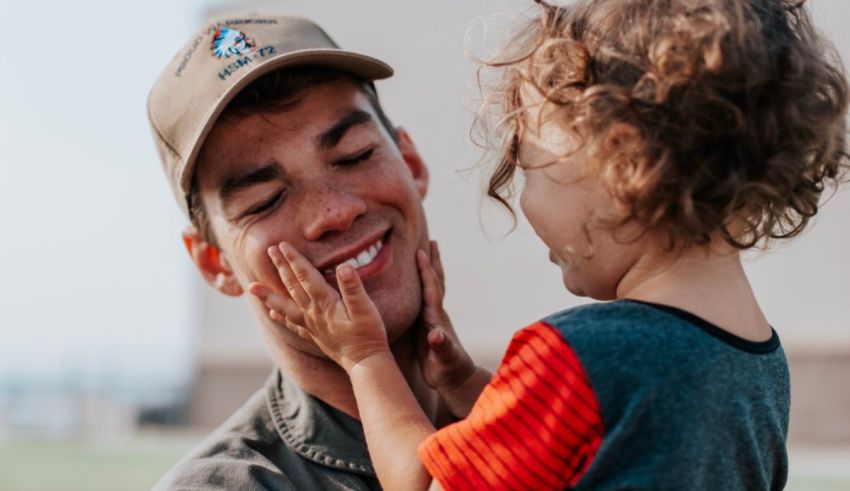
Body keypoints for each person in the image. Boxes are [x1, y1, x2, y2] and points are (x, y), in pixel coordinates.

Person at [253, 0, 850, 489]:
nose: (524, 201)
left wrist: (364, 357)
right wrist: (467, 386)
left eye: (529, 164)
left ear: (620, 160)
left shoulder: (575, 356)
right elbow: (578, 449)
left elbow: (422, 483)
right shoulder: (759, 361)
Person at [147, 14, 479, 490]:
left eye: (355, 155)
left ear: (411, 162)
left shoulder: (546, 404)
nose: (334, 212)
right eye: (265, 201)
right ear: (213, 262)